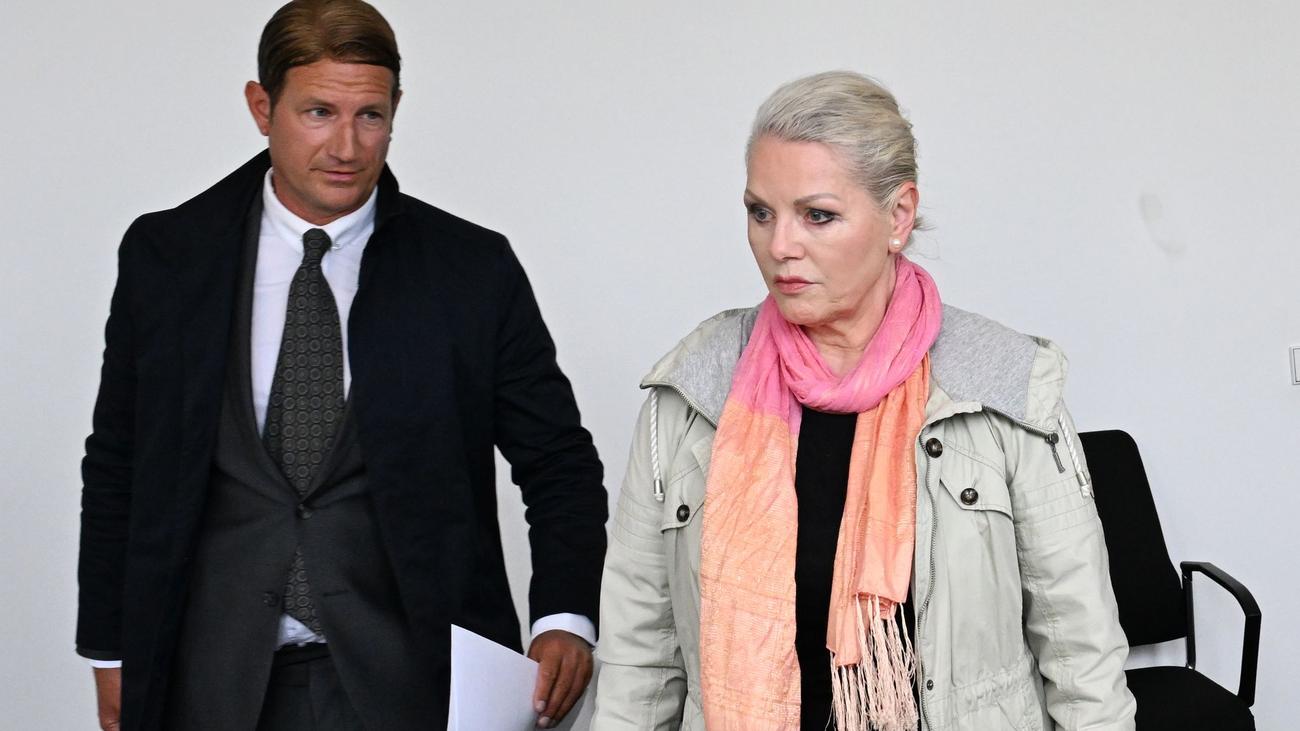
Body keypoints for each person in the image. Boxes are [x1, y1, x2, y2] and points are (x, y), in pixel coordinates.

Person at [75, 2, 606, 729]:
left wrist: (565, 617)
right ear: (262, 108)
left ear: (395, 111)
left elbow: (557, 460)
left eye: (371, 116)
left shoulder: (470, 269)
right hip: (208, 676)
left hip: (415, 683)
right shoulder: (167, 256)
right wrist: (111, 650)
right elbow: (117, 460)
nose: (348, 146)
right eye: (320, 112)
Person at [591, 71, 1136, 731]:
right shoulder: (692, 392)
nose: (780, 245)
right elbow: (639, 660)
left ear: (898, 216)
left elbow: (1081, 655)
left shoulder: (1002, 385)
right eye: (761, 212)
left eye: (817, 215)